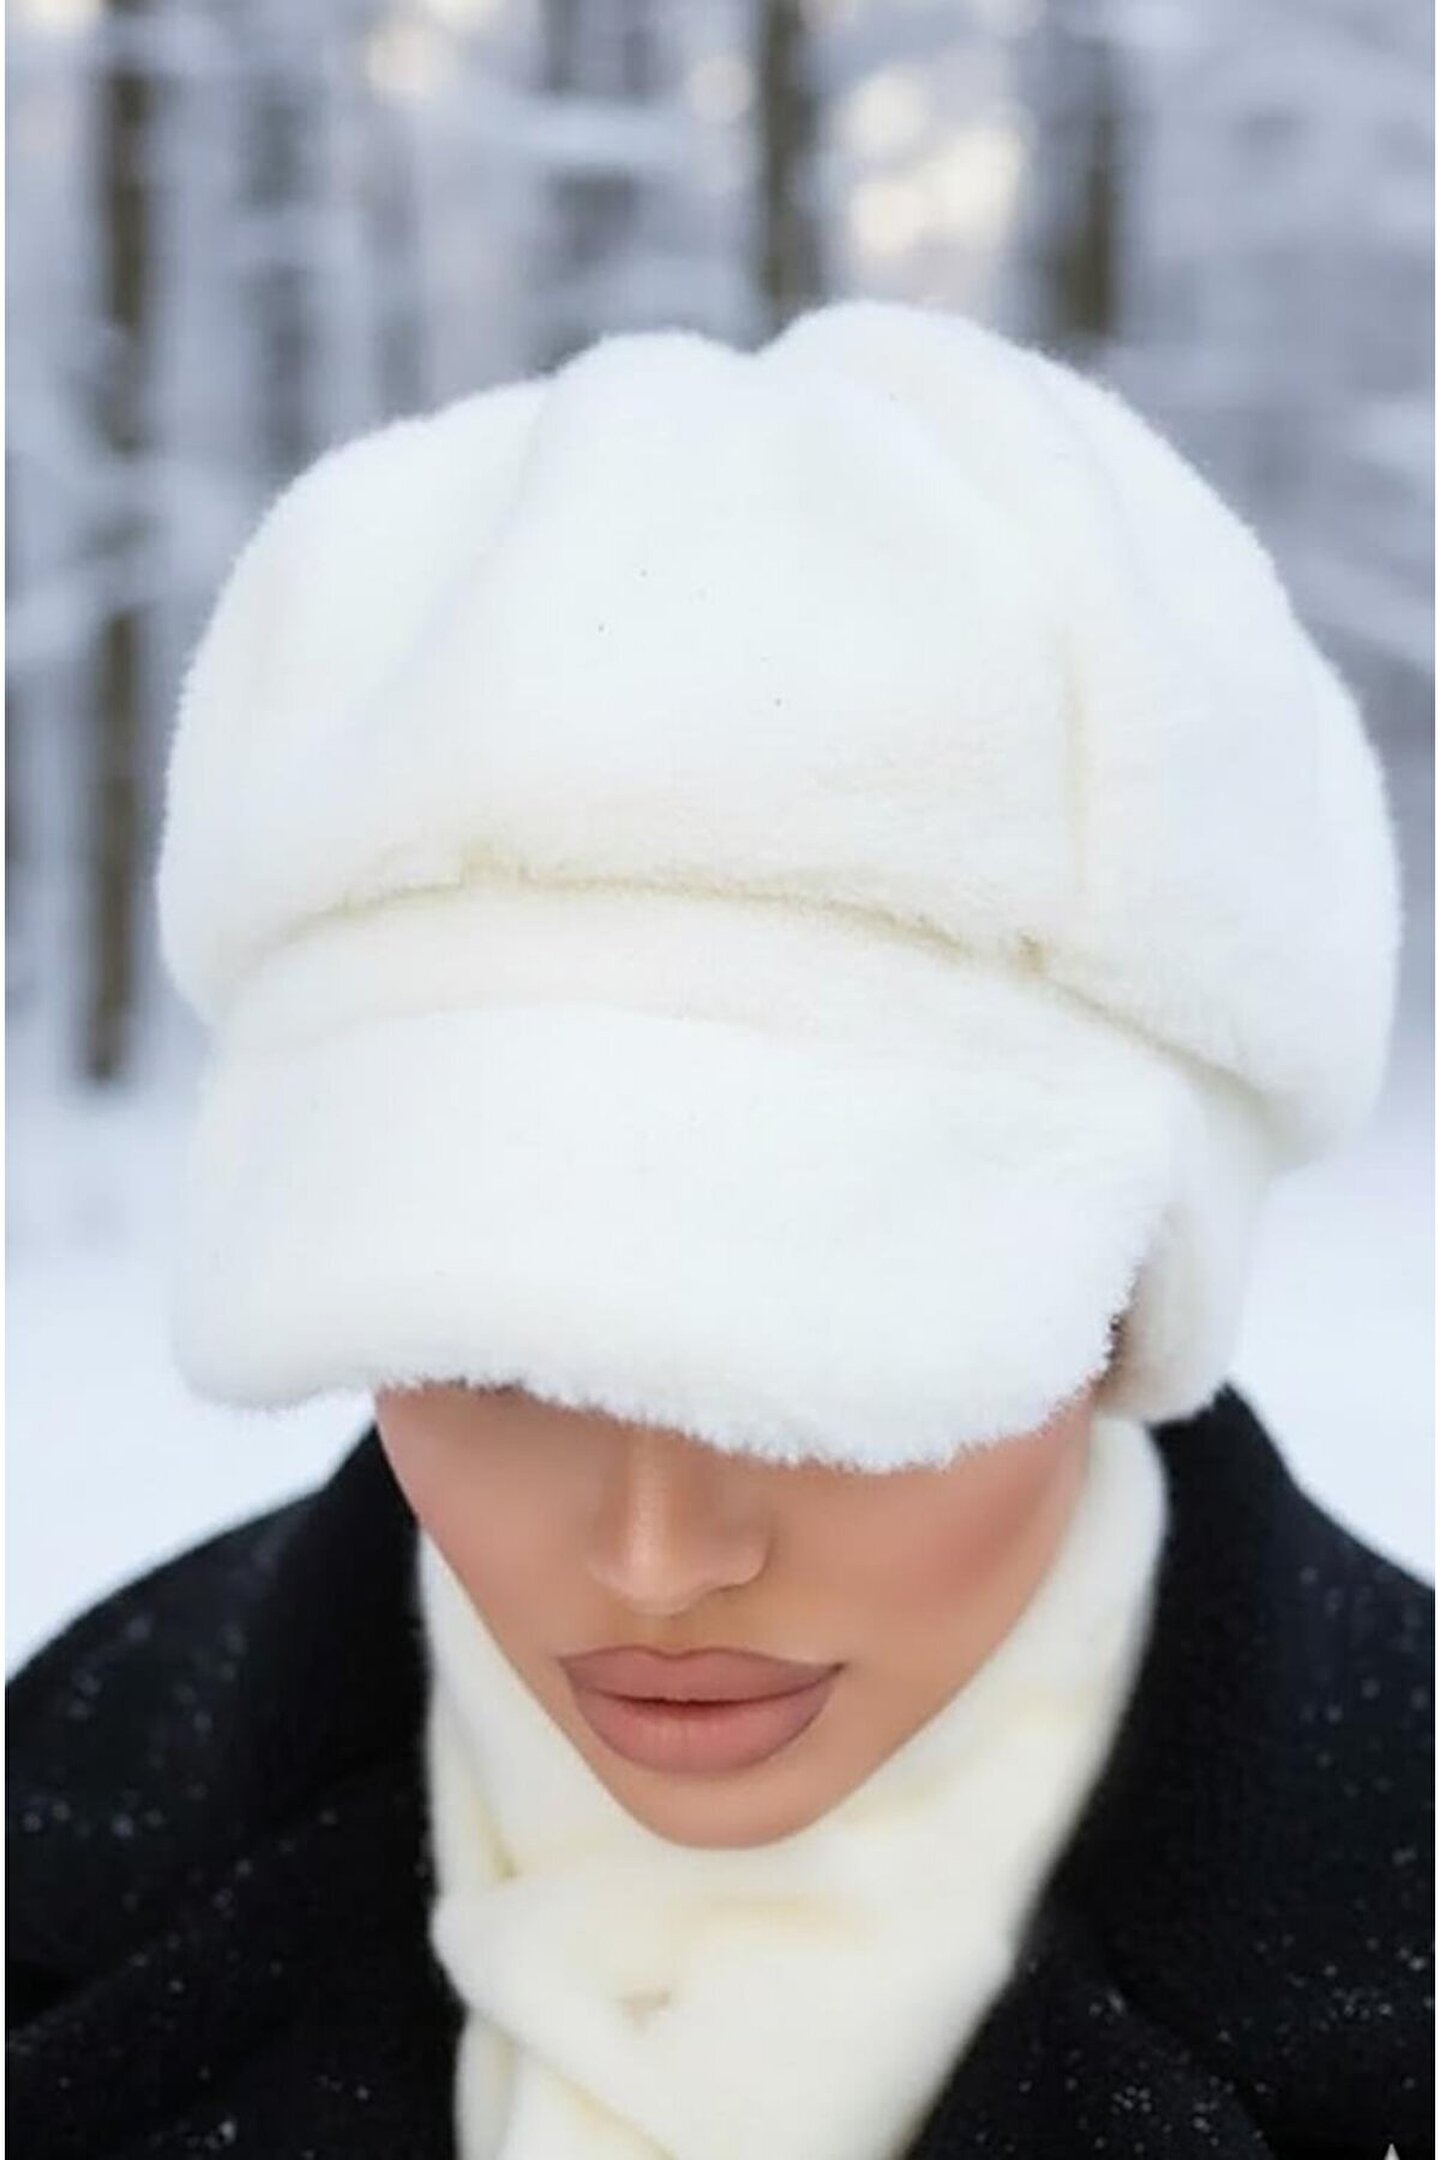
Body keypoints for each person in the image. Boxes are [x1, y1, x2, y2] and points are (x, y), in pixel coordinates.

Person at [7, 299, 1432, 2159]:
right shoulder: (57, 1828)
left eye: (837, 1345)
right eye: (492, 1339)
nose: (658, 1554)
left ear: (1140, 1296)